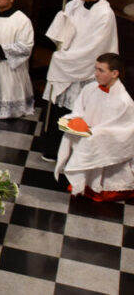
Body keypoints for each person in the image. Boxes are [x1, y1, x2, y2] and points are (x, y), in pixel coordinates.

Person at [38, 0, 118, 159]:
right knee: (56, 108)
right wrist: (61, 20)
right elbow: (63, 27)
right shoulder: (75, 3)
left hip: (84, 68)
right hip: (67, 61)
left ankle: (70, 154)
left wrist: (67, 59)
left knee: (75, 111)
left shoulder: (105, 14)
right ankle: (51, 147)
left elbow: (95, 47)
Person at [54, 53, 134, 202]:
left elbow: (125, 130)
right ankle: (83, 182)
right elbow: (79, 110)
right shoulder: (90, 88)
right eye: (95, 69)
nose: (96, 74)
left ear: (114, 73)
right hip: (89, 133)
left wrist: (96, 133)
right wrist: (74, 121)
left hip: (106, 141)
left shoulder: (124, 101)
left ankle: (102, 187)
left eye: (101, 70)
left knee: (92, 142)